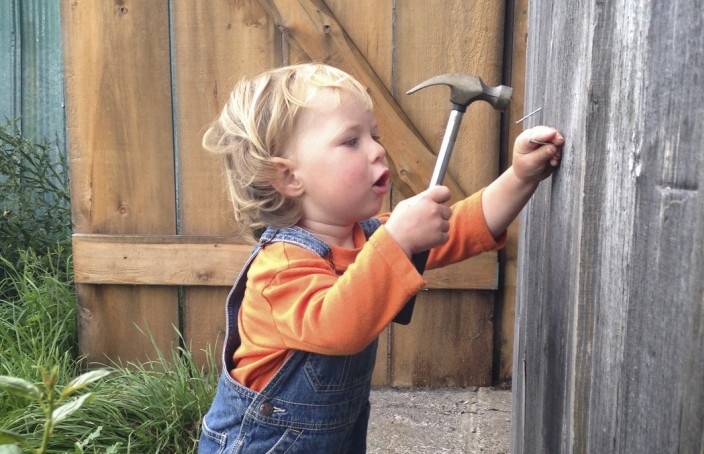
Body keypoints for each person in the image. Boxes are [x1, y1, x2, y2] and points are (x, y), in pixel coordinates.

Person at [198, 63, 564, 453]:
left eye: (374, 134)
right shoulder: (280, 268)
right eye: (351, 141)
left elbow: (463, 226)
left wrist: (521, 176)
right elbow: (337, 326)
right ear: (289, 178)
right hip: (260, 443)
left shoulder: (369, 237)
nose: (377, 149)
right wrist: (397, 240)